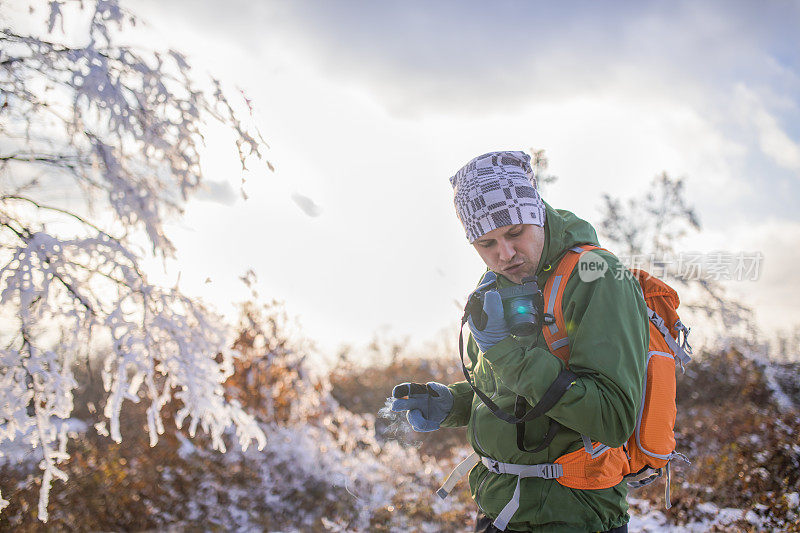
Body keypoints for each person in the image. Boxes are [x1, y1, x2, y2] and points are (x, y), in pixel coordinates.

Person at [391, 151, 648, 532]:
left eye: (514, 233)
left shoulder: (598, 277)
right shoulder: (492, 284)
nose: (505, 255)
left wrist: (503, 352)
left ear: (537, 214)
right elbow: (512, 390)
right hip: (499, 511)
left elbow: (612, 420)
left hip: (573, 517)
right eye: (486, 244)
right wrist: (456, 404)